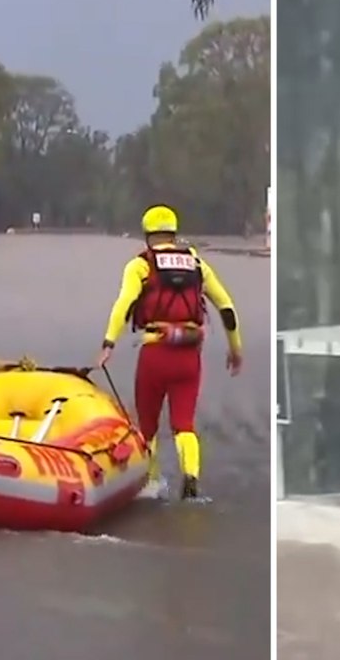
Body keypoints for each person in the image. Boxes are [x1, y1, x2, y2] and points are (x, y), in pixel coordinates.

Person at [96, 204, 244, 500]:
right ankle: (190, 480)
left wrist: (108, 344)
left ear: (148, 235)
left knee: (147, 424)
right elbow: (226, 307)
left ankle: (149, 483)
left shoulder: (141, 265)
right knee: (184, 424)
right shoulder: (197, 263)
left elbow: (123, 304)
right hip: (189, 355)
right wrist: (235, 348)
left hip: (155, 352)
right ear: (174, 233)